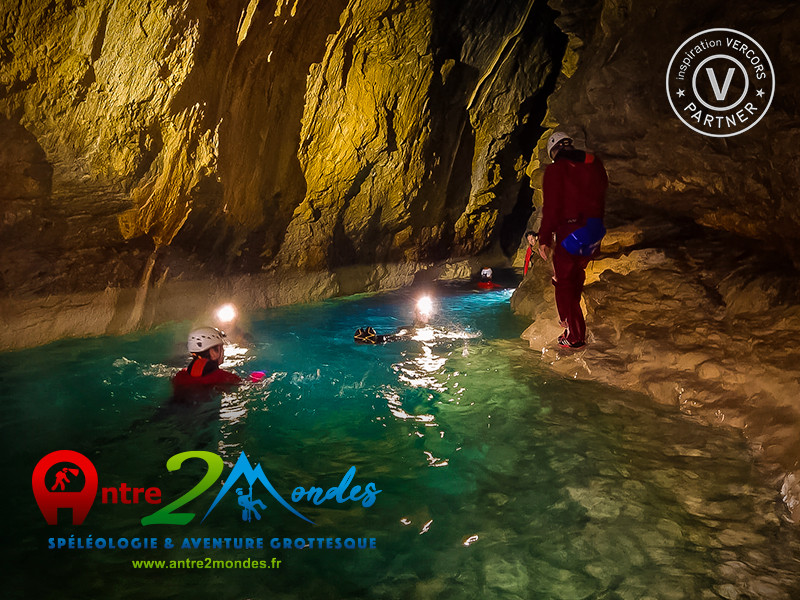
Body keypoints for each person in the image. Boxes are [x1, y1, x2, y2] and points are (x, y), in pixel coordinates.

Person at [538, 131, 608, 349]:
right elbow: (602, 184)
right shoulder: (592, 166)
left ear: (554, 151)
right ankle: (574, 326)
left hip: (572, 232)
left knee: (562, 281)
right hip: (595, 231)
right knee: (575, 277)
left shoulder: (556, 170)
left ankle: (574, 335)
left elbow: (551, 207)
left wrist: (544, 238)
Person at [173, 327, 242, 386]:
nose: (223, 351)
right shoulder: (227, 378)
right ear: (213, 353)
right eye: (221, 347)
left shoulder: (179, 376)